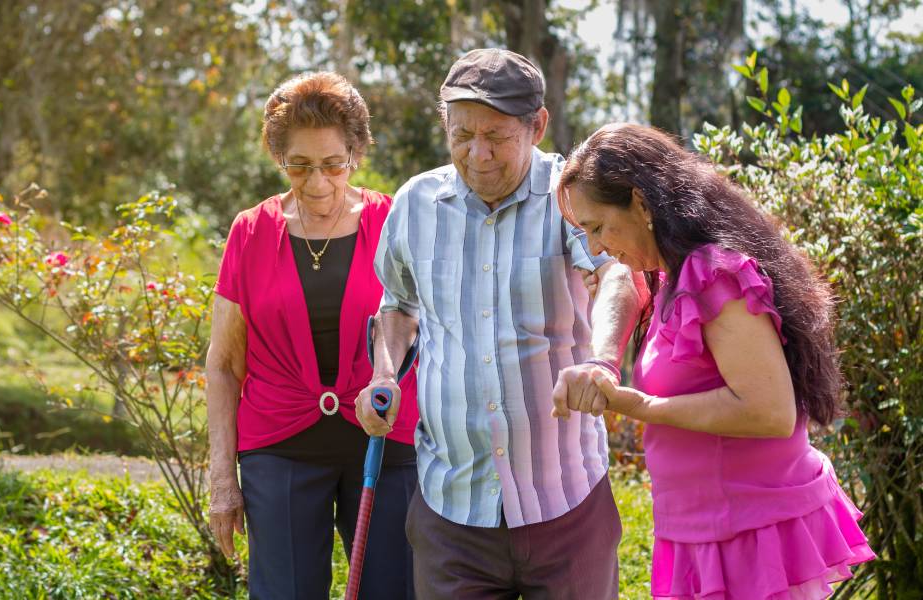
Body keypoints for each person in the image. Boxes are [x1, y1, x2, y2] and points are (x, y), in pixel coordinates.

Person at [356, 49, 642, 599]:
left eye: (496, 135)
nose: (477, 154)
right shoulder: (416, 203)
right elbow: (397, 305)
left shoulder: (570, 196)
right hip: (452, 509)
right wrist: (384, 374)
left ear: (537, 126)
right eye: (461, 135)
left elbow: (616, 277)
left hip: (566, 500)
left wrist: (602, 362)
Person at [554, 122, 876, 599]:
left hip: (748, 533)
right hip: (702, 530)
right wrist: (603, 359)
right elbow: (624, 283)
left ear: (641, 203)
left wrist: (636, 404)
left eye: (598, 227)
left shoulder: (712, 275)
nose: (597, 248)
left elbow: (769, 411)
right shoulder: (670, 275)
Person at [205, 71, 419, 600]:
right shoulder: (250, 232)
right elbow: (224, 363)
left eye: (332, 164)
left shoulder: (393, 220)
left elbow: (422, 324)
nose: (317, 181)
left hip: (383, 438)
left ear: (356, 153)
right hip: (278, 448)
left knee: (391, 591)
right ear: (279, 158)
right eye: (299, 165)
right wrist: (221, 479)